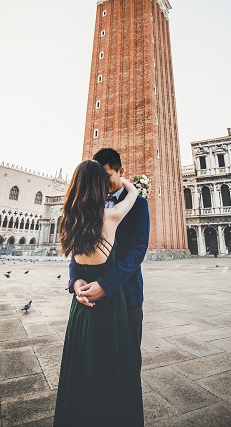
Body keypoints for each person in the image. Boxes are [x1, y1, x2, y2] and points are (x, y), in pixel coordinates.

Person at [53, 158, 145, 427]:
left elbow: (137, 249)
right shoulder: (111, 215)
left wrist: (77, 285)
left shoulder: (71, 217)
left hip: (82, 305)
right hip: (106, 306)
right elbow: (135, 192)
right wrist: (77, 281)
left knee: (80, 367)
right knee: (111, 369)